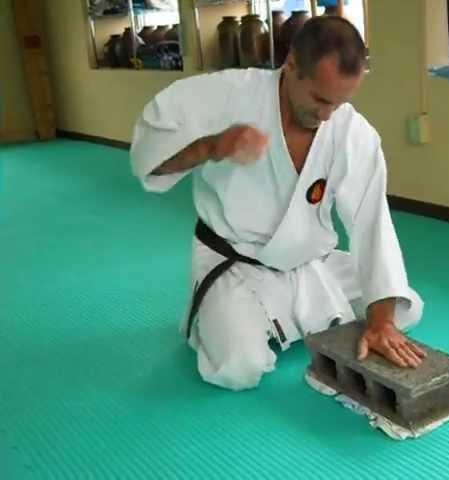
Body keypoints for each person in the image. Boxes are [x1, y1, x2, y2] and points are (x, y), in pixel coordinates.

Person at [130, 16, 426, 391]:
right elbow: (149, 155)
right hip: (236, 264)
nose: (326, 115)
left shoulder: (351, 131)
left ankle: (300, 319)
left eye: (339, 102)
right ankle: (214, 315)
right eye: (320, 99)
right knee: (239, 368)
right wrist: (211, 147)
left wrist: (381, 321)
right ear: (290, 66)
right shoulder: (228, 95)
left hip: (310, 264)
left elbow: (372, 222)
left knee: (403, 308)